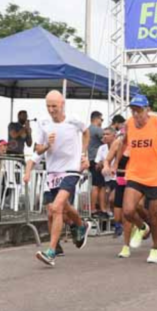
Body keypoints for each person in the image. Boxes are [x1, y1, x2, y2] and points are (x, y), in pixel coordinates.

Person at [111, 94, 157, 264]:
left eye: (139, 111)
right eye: (133, 111)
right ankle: (143, 227)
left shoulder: (156, 122)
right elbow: (124, 143)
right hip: (135, 172)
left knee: (154, 214)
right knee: (128, 210)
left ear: (147, 110)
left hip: (156, 175)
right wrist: (116, 163)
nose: (136, 115)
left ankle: (155, 248)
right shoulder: (129, 123)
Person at [30, 91, 90, 266]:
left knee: (56, 208)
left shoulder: (73, 119)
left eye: (54, 106)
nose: (51, 110)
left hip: (71, 169)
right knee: (58, 209)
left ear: (62, 104)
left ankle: (51, 252)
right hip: (53, 172)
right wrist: (47, 144)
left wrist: (84, 154)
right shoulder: (43, 123)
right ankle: (81, 225)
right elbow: (38, 149)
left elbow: (86, 132)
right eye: (48, 106)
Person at [87, 111, 107, 218]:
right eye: (101, 119)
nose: (101, 122)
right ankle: (98, 208)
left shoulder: (87, 129)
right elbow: (107, 140)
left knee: (97, 184)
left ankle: (96, 207)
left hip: (90, 159)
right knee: (99, 185)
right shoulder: (97, 130)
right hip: (97, 161)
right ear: (97, 119)